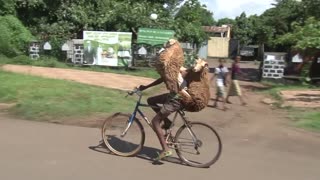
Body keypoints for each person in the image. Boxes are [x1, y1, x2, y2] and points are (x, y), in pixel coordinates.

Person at [138, 77, 183, 161]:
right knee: (151, 101)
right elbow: (162, 79)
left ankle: (166, 149)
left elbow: (162, 79)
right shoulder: (173, 71)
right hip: (172, 97)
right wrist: (146, 87)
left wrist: (145, 87)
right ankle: (167, 122)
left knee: (155, 122)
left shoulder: (173, 71)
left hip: (175, 100)